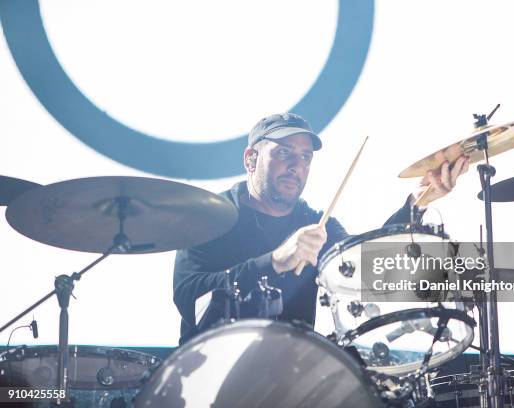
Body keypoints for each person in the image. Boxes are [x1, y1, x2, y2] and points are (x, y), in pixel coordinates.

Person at [173, 113, 469, 344]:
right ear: (251, 159)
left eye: (305, 157)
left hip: (289, 379)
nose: (296, 165)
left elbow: (364, 263)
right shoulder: (210, 216)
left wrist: (415, 203)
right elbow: (189, 297)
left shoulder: (315, 223)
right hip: (210, 374)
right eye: (284, 152)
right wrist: (274, 262)